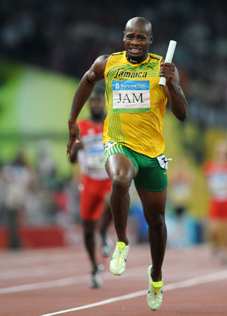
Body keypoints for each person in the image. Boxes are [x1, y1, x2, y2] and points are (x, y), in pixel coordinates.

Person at [67, 17, 188, 311]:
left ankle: (156, 277)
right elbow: (86, 80)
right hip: (119, 143)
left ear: (150, 40)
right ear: (123, 37)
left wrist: (172, 83)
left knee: (156, 222)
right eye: (130, 37)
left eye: (141, 38)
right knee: (120, 180)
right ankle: (121, 243)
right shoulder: (108, 63)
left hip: (152, 153)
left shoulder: (162, 69)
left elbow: (182, 113)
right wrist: (72, 121)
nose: (135, 42)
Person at [69, 86, 113, 289]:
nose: (96, 104)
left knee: (113, 201)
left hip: (108, 177)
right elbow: (71, 160)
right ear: (89, 104)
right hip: (88, 181)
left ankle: (104, 232)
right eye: (92, 101)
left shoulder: (111, 122)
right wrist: (75, 149)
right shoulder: (81, 125)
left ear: (104, 102)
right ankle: (95, 268)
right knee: (87, 230)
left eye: (98, 101)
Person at [203, 140, 227, 265]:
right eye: (220, 150)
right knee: (213, 229)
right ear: (216, 152)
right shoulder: (210, 166)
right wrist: (210, 188)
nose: (222, 153)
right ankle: (216, 245)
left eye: (224, 151)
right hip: (215, 199)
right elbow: (206, 182)